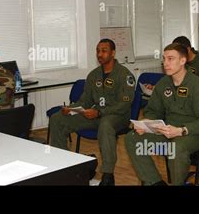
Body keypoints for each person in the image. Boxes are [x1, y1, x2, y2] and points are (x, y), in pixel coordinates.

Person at [125, 43, 199, 185]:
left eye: (171, 59)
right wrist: (146, 123)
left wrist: (181, 130)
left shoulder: (198, 86)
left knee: (176, 147)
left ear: (183, 61)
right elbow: (153, 110)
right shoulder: (163, 83)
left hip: (196, 133)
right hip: (168, 131)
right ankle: (155, 182)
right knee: (132, 138)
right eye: (164, 59)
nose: (165, 63)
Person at [49, 38, 135, 186]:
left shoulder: (125, 75)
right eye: (97, 51)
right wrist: (72, 109)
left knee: (106, 124)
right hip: (96, 115)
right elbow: (85, 101)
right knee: (58, 119)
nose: (99, 54)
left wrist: (100, 113)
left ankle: (108, 175)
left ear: (113, 53)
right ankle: (63, 167)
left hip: (118, 116)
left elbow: (124, 104)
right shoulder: (93, 75)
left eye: (104, 51)